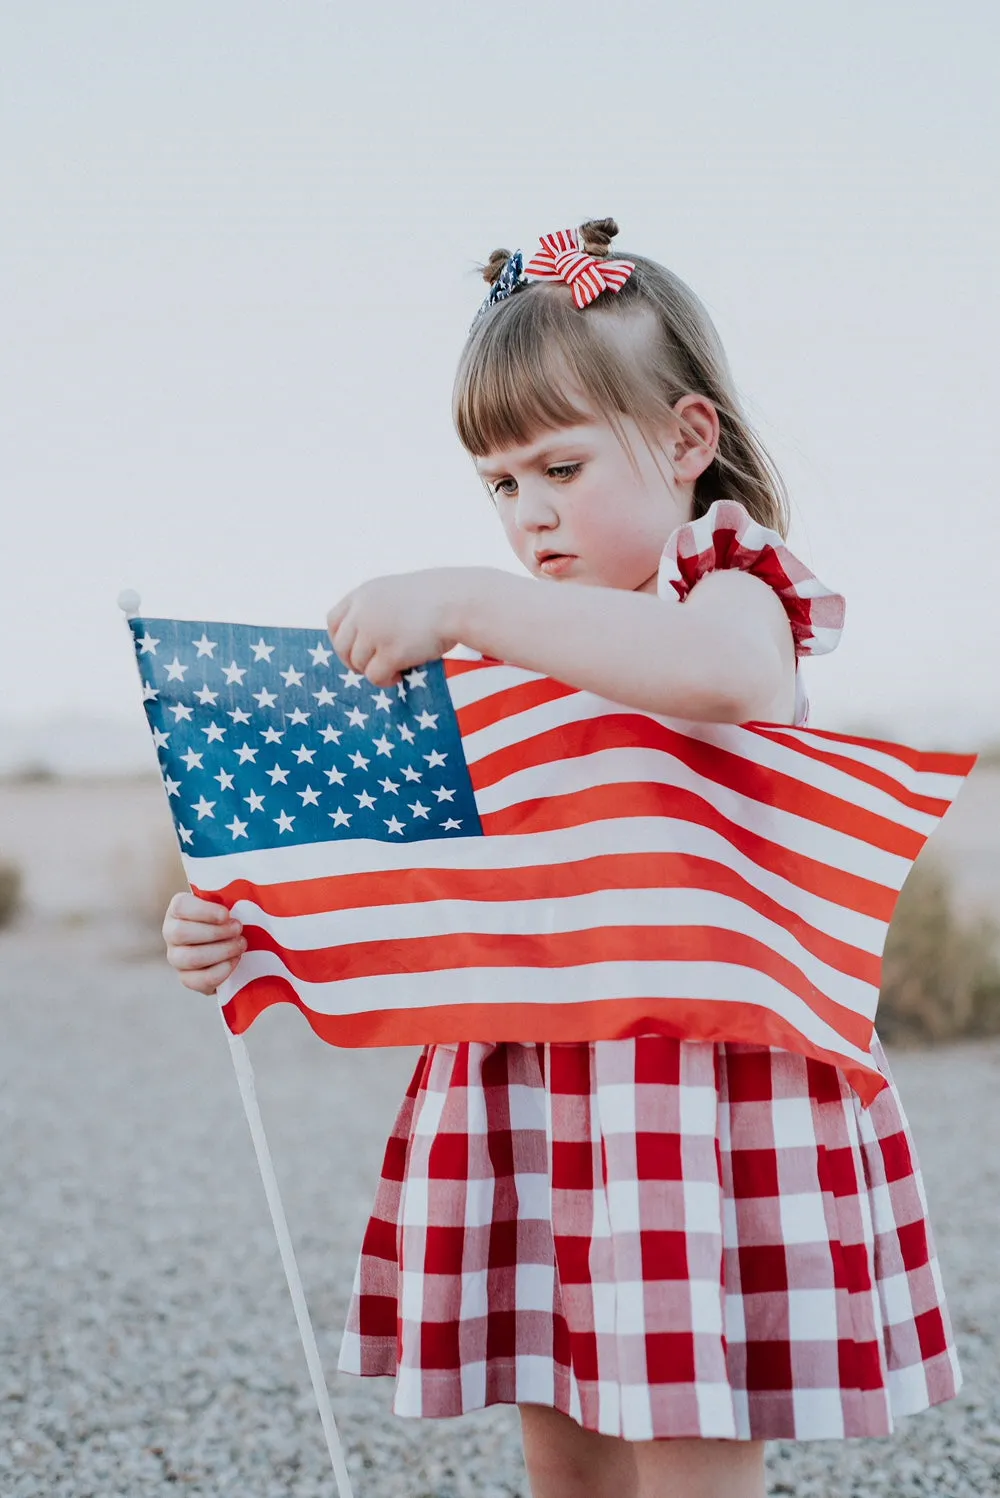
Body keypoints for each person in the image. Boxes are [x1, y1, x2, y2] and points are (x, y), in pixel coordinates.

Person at [162, 219, 961, 1498]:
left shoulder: (717, 583)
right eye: (500, 484)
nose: (529, 517)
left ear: (690, 440)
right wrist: (249, 926)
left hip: (686, 1090)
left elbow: (732, 682)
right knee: (565, 1446)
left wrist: (470, 601)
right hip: (533, 1074)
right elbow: (419, 865)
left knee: (688, 1441)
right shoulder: (507, 660)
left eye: (561, 466)